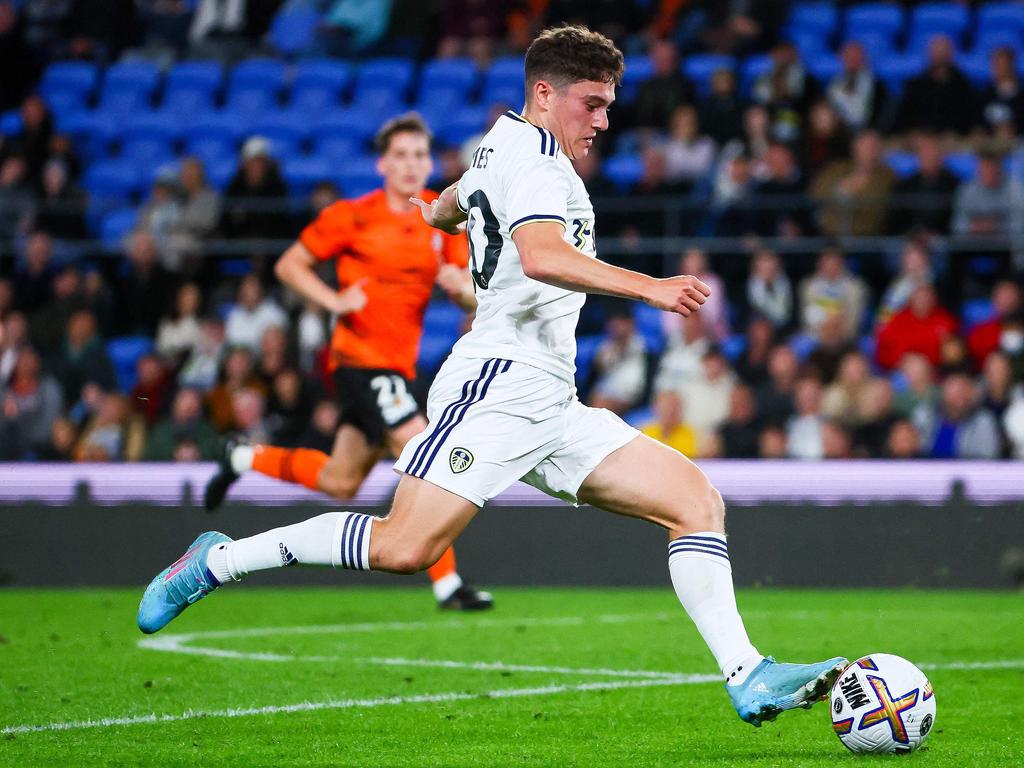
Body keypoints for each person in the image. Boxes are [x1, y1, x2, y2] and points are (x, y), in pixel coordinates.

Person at [141, 26, 845, 726]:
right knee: (404, 547)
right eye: (592, 104)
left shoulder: (499, 140)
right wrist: (649, 286)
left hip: (551, 398)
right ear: (546, 94)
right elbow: (539, 255)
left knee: (695, 501)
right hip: (497, 383)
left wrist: (435, 213)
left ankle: (748, 674)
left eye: (608, 105)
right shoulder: (538, 164)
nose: (604, 121)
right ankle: (218, 561)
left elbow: (456, 198)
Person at [203, 113, 492, 611]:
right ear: (382, 163)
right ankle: (447, 584)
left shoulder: (442, 222)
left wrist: (461, 290)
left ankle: (242, 456)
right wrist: (333, 302)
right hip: (359, 362)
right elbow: (288, 265)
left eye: (419, 155)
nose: (410, 165)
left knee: (341, 479)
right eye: (400, 155)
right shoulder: (352, 216)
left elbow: (474, 295)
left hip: (397, 366)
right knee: (424, 447)